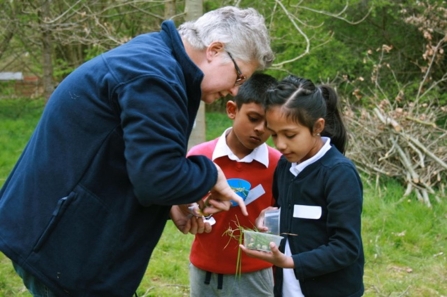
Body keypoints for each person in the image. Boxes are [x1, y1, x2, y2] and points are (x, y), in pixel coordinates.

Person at [0, 6, 274, 296]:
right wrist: (210, 174)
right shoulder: (155, 76)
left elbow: (140, 161)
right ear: (215, 50)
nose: (235, 90)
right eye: (239, 77)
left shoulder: (157, 61)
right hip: (62, 246)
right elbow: (159, 178)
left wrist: (173, 203)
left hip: (63, 234)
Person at [239, 75, 364, 297]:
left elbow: (346, 248)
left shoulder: (339, 174)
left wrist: (291, 261)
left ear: (317, 127)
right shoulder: (285, 166)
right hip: (288, 288)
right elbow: (284, 209)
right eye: (274, 134)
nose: (280, 144)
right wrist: (270, 218)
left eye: (290, 135)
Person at [173, 73, 281, 297]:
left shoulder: (278, 165)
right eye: (253, 118)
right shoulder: (200, 156)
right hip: (204, 270)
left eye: (269, 124)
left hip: (255, 273)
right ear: (232, 110)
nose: (260, 129)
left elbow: (283, 216)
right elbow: (183, 204)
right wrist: (192, 208)